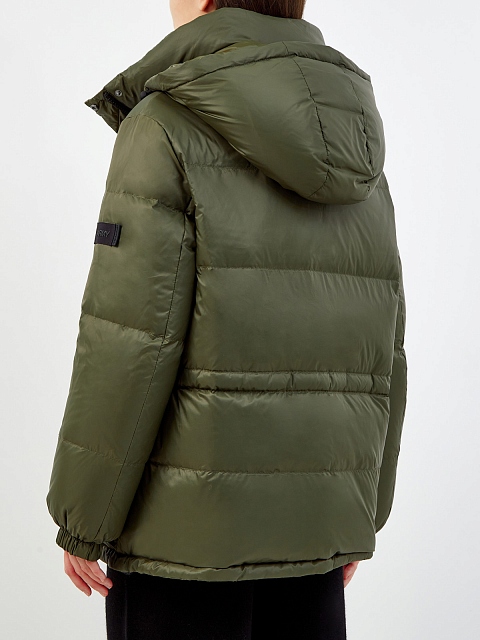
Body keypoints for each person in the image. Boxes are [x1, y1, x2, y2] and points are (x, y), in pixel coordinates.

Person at [46, 0, 408, 638]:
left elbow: (128, 342)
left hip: (180, 549)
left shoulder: (164, 125)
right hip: (315, 536)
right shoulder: (355, 136)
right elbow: (384, 341)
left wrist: (83, 518)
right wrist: (358, 516)